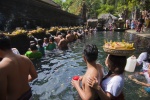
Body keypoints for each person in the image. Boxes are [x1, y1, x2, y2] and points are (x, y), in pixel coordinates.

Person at [0, 33, 37, 99]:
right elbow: (34, 75)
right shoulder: (25, 58)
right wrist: (23, 80)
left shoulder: (2, 67)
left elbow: (2, 95)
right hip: (28, 94)